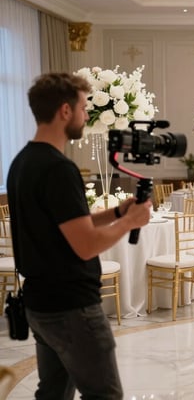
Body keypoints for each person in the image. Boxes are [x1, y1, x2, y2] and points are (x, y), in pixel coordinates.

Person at [7, 73, 152, 399]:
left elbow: (68, 223)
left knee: (53, 393)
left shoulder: (23, 162)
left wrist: (116, 213)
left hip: (40, 302)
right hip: (71, 307)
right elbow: (85, 245)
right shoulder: (59, 169)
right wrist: (130, 222)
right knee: (103, 395)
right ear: (65, 111)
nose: (87, 115)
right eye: (84, 107)